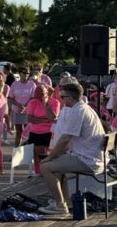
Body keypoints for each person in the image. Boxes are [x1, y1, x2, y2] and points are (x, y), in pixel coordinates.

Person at [39, 82, 106, 216]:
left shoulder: (78, 111)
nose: (60, 99)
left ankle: (60, 206)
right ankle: (66, 201)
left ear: (71, 98)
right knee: (56, 165)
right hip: (92, 156)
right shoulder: (84, 108)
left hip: (88, 160)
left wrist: (50, 157)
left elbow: (65, 139)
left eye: (62, 96)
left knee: (44, 167)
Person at [25, 84, 60, 176]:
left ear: (47, 93)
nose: (39, 98)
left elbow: (53, 118)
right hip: (35, 132)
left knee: (47, 155)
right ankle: (38, 172)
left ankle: (47, 173)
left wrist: (45, 104)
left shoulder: (55, 102)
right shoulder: (32, 102)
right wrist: (45, 120)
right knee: (37, 155)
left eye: (42, 94)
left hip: (49, 132)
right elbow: (30, 119)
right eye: (37, 95)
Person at [7, 67, 35, 148]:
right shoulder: (14, 84)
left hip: (28, 111)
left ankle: (27, 153)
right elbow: (10, 98)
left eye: (27, 73)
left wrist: (25, 106)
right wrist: (19, 105)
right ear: (20, 73)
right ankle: (16, 153)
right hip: (17, 111)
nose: (26, 75)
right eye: (24, 73)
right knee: (19, 132)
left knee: (28, 132)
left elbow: (33, 98)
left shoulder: (32, 84)